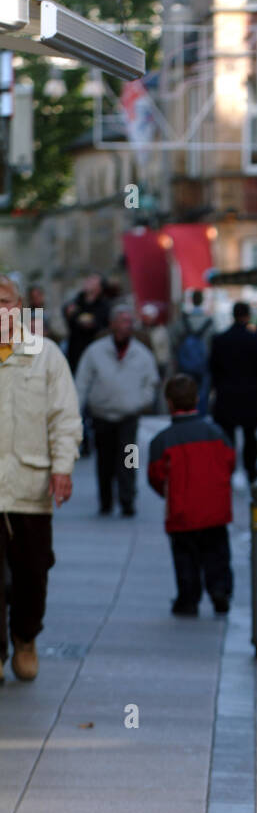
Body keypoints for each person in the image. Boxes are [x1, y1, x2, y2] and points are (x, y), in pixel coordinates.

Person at [0, 273, 82, 682]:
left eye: (6, 302)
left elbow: (64, 417)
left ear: (20, 308)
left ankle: (26, 637)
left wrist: (62, 467)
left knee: (33, 572)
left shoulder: (45, 355)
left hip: (29, 487)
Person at [147, 374, 235, 618]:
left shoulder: (161, 441)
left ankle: (188, 598)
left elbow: (155, 476)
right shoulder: (217, 433)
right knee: (217, 554)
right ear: (197, 399)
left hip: (182, 511)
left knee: (186, 558)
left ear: (169, 403)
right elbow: (230, 462)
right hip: (215, 510)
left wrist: (168, 493)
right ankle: (220, 592)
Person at [75, 304, 159, 518]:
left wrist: (141, 401)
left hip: (129, 417)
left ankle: (127, 499)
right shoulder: (95, 351)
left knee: (129, 460)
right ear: (112, 324)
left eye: (129, 322)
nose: (125, 327)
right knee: (104, 461)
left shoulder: (141, 353)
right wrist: (76, 409)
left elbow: (152, 381)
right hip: (102, 416)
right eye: (121, 322)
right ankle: (105, 501)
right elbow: (82, 382)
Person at [209, 301, 257, 486]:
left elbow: (213, 367)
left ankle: (228, 467)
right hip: (250, 394)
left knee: (227, 436)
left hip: (227, 394)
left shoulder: (220, 339)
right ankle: (251, 468)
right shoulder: (255, 339)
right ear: (247, 316)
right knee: (250, 435)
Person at [171, 290, 214, 415]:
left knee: (184, 390)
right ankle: (200, 415)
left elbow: (173, 341)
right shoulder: (209, 321)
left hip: (185, 364)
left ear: (192, 300)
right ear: (202, 300)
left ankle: (186, 413)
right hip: (204, 364)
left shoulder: (182, 321)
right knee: (203, 392)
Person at [63, 274, 113, 374]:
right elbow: (67, 314)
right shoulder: (76, 301)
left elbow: (96, 325)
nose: (88, 281)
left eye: (92, 280)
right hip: (75, 353)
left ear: (99, 288)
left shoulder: (104, 306)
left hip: (95, 352)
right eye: (88, 279)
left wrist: (80, 319)